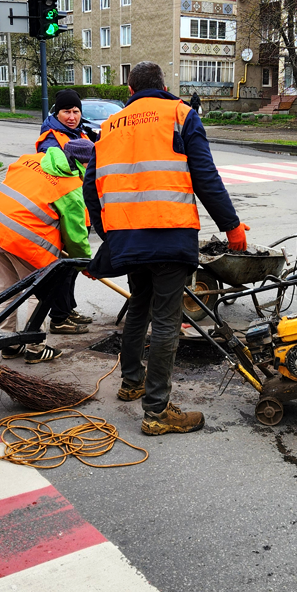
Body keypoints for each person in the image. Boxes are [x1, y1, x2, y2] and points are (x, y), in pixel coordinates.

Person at [84, 61, 248, 435]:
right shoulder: (179, 114)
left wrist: (108, 231)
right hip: (170, 234)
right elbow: (205, 176)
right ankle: (157, 411)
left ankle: (131, 382)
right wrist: (232, 226)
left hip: (127, 237)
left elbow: (90, 186)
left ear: (130, 91)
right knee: (166, 320)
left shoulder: (109, 126)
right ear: (163, 86)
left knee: (138, 305)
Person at [0, 143, 93, 364]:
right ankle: (35, 347)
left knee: (7, 292)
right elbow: (76, 238)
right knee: (39, 293)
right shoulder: (72, 187)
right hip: (23, 240)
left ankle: (8, 344)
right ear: (84, 164)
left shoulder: (30, 159)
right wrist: (85, 265)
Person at [36, 89, 95, 328]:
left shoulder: (81, 132)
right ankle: (59, 318)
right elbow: (54, 169)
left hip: (81, 205)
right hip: (64, 206)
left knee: (71, 269)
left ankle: (68, 310)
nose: (72, 116)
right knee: (64, 267)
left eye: (76, 111)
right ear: (56, 113)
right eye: (66, 111)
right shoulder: (50, 137)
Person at [37, 89, 95, 154]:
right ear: (57, 114)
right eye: (67, 112)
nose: (72, 118)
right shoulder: (50, 142)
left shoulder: (81, 132)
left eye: (75, 112)